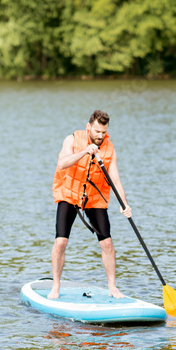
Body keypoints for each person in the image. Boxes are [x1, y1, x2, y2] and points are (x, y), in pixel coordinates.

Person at [48, 110, 132, 300]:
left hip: (94, 198)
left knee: (108, 244)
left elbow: (116, 180)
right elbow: (62, 163)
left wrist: (124, 204)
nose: (100, 136)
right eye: (96, 132)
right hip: (69, 194)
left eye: (103, 132)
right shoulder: (72, 139)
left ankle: (113, 287)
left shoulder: (109, 149)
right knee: (61, 242)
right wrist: (85, 151)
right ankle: (56, 285)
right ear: (89, 127)